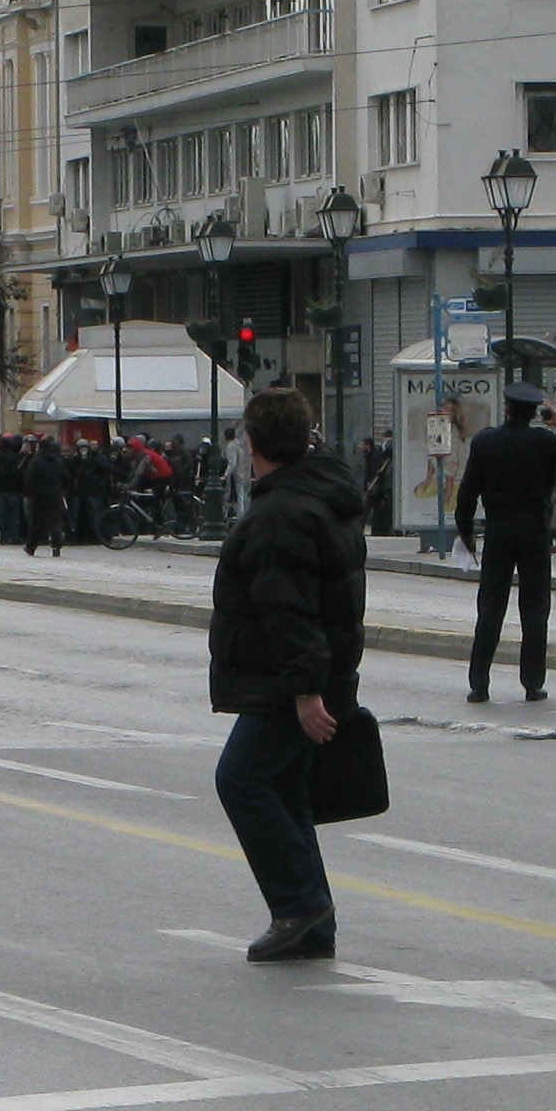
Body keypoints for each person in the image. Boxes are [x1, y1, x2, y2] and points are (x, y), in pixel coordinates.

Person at [206, 388, 365, 964]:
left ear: (251, 444)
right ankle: (310, 920)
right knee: (286, 789)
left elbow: (289, 610)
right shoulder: (324, 496)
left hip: (286, 683)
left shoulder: (281, 513)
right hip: (318, 674)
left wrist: (304, 690)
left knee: (242, 780)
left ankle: (300, 905)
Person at [453, 378, 556, 704]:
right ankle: (532, 683)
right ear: (533, 413)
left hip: (499, 530)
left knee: (490, 608)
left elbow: (468, 492)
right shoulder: (543, 442)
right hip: (534, 533)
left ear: (507, 408)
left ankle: (479, 683)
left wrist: (467, 532)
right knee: (534, 610)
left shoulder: (485, 442)